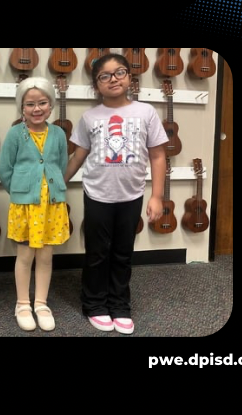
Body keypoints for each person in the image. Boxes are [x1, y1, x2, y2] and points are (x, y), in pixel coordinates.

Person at [64, 53, 167, 335]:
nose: (113, 79)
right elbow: (77, 157)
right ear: (96, 85)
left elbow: (158, 156)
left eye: (119, 72)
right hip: (97, 195)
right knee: (97, 254)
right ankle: (94, 304)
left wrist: (156, 196)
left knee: (123, 253)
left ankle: (120, 304)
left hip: (131, 196)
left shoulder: (146, 112)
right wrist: (59, 183)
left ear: (130, 77)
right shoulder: (89, 117)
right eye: (105, 75)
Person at [0, 76, 70, 332]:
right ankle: (22, 304)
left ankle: (41, 303)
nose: (36, 109)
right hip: (25, 206)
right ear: (22, 108)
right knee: (25, 255)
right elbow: (5, 170)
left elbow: (61, 166)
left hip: (51, 205)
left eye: (42, 103)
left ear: (51, 106)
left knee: (46, 256)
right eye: (30, 104)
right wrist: (20, 192)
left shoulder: (59, 133)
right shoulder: (16, 134)